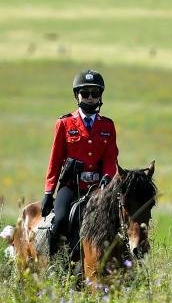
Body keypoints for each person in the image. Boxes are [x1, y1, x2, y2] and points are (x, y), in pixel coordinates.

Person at [41, 69, 119, 257]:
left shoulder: (108, 126)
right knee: (59, 220)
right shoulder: (64, 124)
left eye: (95, 93)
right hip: (70, 185)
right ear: (77, 95)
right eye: (85, 93)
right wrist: (48, 191)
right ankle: (52, 262)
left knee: (118, 221)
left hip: (98, 187)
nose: (90, 98)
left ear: (100, 96)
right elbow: (55, 159)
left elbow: (111, 157)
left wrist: (108, 177)